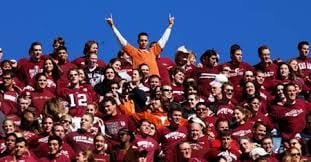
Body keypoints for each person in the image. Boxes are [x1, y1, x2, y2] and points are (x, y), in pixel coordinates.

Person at [106, 14, 174, 76]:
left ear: (148, 42)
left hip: (154, 80)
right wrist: (112, 26)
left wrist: (170, 26)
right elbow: (122, 41)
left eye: (145, 40)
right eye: (141, 40)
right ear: (138, 41)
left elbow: (163, 40)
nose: (143, 42)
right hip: (140, 81)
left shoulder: (153, 51)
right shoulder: (134, 52)